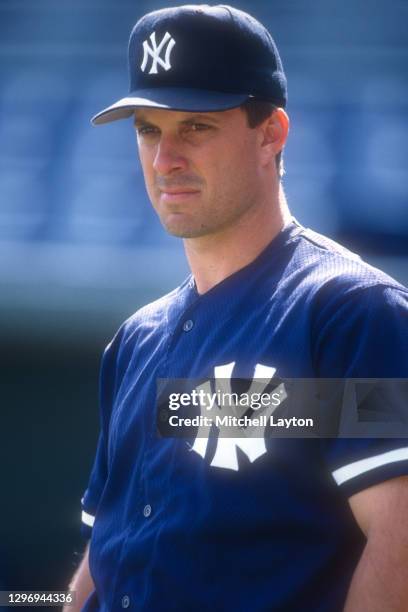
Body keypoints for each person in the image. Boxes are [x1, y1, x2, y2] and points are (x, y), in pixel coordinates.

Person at [65, 5, 408, 611]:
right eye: (148, 129)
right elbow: (106, 554)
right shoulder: (135, 341)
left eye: (195, 126)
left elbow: (400, 539)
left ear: (271, 133)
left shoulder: (353, 311)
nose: (165, 158)